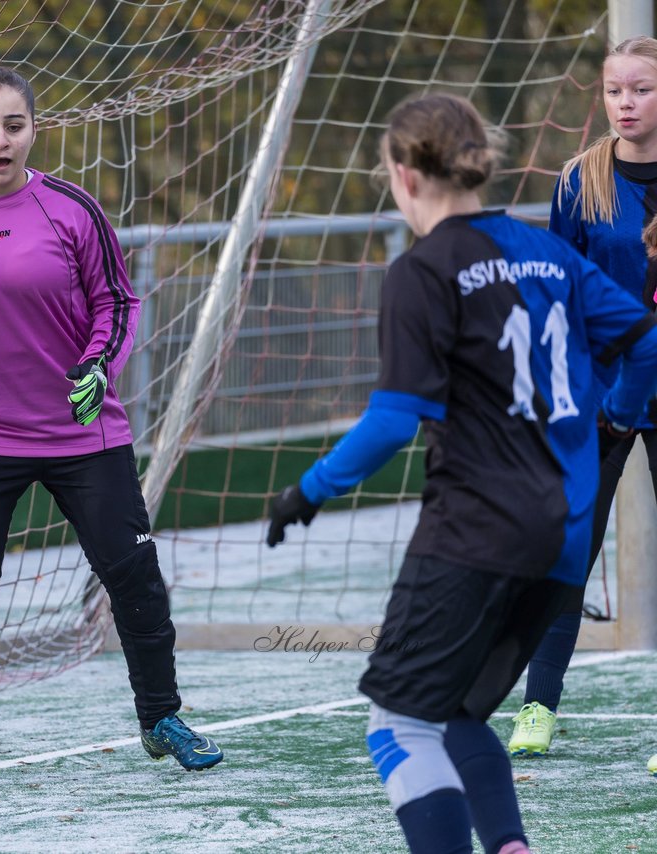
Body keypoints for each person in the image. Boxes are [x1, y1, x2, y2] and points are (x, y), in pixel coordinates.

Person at [266, 93, 657, 853]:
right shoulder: (549, 252)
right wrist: (615, 413)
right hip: (565, 537)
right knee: (458, 715)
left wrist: (306, 492)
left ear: (404, 175)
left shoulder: (423, 271)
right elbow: (645, 343)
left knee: (397, 727)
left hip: (475, 530)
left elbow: (390, 422)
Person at [0, 65, 223, 781]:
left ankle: (161, 719)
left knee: (135, 578)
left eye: (14, 125)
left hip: (81, 435)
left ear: (35, 129)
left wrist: (96, 366)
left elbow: (116, 306)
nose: (1, 140)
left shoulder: (72, 209)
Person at [507, 35, 657, 760]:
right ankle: (539, 706)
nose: (626, 103)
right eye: (614, 91)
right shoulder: (581, 182)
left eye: (642, 89)